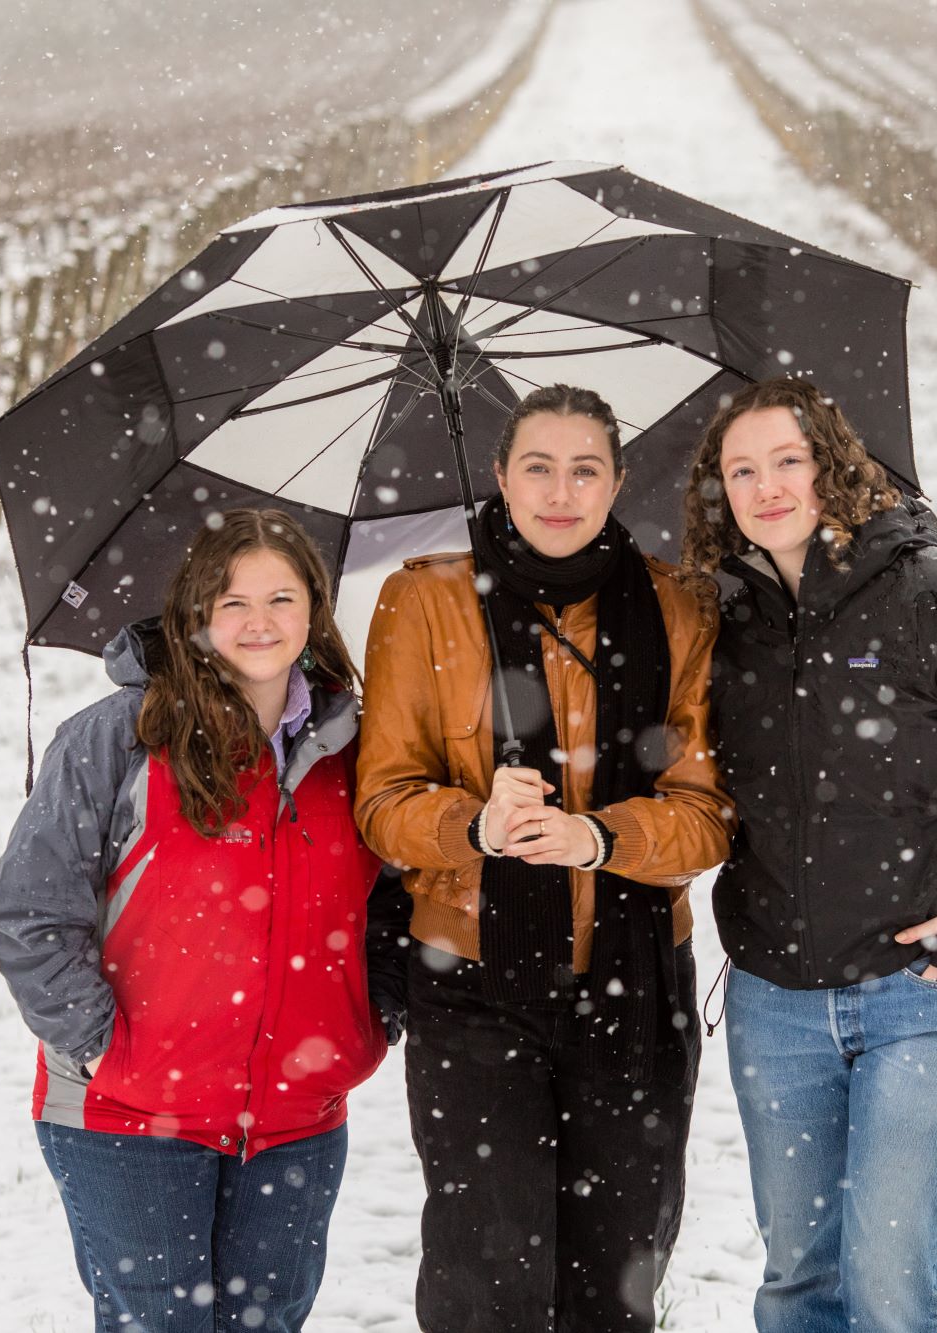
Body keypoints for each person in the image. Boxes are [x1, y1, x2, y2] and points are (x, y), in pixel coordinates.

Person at [680, 377, 937, 1333]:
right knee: (799, 1282)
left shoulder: (932, 594)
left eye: (789, 460)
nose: (767, 485)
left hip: (925, 995)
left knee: (893, 1279)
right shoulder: (718, 619)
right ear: (719, 491)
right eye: (742, 469)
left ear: (834, 465)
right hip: (775, 1000)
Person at [355, 383, 732, 1332]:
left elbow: (707, 815)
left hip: (635, 983)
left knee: (617, 1283)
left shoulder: (679, 606)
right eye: (537, 466)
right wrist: (473, 824)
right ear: (499, 475)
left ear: (617, 479)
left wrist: (600, 838)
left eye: (584, 468)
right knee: (488, 1283)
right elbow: (381, 803)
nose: (559, 491)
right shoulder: (425, 599)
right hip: (474, 979)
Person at [0, 508, 411, 1333]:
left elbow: (396, 899)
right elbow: (29, 903)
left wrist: (370, 1013)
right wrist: (98, 1041)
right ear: (195, 613)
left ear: (315, 610)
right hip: (128, 1115)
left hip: (297, 1116)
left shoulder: (357, 746)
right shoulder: (120, 738)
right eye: (233, 600)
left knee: (266, 1325)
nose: (259, 622)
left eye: (282, 598)